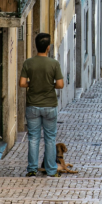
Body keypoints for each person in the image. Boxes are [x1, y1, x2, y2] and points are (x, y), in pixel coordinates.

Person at [20, 32, 65, 177]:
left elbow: (22, 83)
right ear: (48, 47)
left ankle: (32, 169)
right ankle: (52, 170)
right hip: (49, 105)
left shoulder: (28, 63)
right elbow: (60, 84)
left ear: (36, 46)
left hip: (32, 105)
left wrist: (32, 84)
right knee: (50, 138)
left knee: (33, 138)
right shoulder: (54, 64)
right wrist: (49, 85)